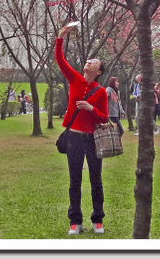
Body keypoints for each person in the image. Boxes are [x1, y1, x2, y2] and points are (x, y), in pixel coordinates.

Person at [55, 23, 109, 236]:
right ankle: (75, 221)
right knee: (74, 179)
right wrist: (61, 36)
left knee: (96, 179)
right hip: (74, 138)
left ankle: (97, 220)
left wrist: (91, 108)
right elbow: (60, 60)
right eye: (88, 60)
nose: (89, 61)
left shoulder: (101, 91)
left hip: (93, 138)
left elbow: (104, 118)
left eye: (94, 62)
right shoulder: (75, 79)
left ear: (99, 71)